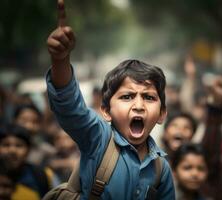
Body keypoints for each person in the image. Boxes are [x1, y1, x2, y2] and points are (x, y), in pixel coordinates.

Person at [45, 0, 175, 199]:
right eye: (127, 96)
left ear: (162, 113)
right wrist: (60, 59)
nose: (138, 106)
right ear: (106, 110)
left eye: (149, 97)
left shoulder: (161, 169)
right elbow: (69, 106)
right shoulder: (98, 139)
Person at [0, 123, 55, 200]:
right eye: (6, 145)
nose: (12, 151)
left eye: (19, 145)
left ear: (28, 150)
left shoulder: (43, 176)